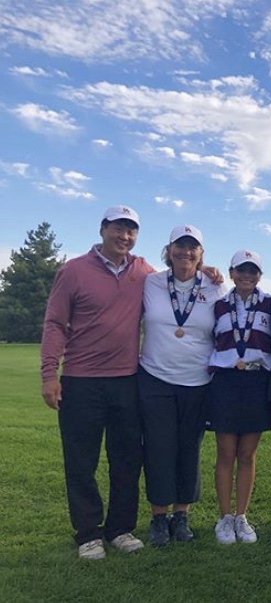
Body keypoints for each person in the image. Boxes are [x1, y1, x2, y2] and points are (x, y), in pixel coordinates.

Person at [41, 205, 151, 560]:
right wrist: (48, 374)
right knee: (81, 460)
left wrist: (206, 270)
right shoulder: (73, 271)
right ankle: (88, 533)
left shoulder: (143, 272)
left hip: (127, 381)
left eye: (131, 230)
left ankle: (120, 528)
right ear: (103, 229)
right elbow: (55, 323)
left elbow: (178, 281)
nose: (125, 236)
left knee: (127, 459)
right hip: (80, 381)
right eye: (119, 228)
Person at [138, 225, 227, 546]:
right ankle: (158, 518)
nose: (185, 252)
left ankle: (182, 515)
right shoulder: (150, 281)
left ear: (201, 254)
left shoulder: (215, 286)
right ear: (169, 249)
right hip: (155, 378)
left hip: (198, 381)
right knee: (159, 448)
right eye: (180, 246)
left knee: (188, 448)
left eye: (193, 248)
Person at [208, 249, 271, 546]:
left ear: (259, 275)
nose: (247, 275)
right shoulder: (218, 304)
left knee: (247, 454)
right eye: (241, 270)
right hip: (225, 381)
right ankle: (224, 517)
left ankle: (241, 515)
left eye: (253, 271)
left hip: (256, 381)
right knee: (225, 452)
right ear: (231, 272)